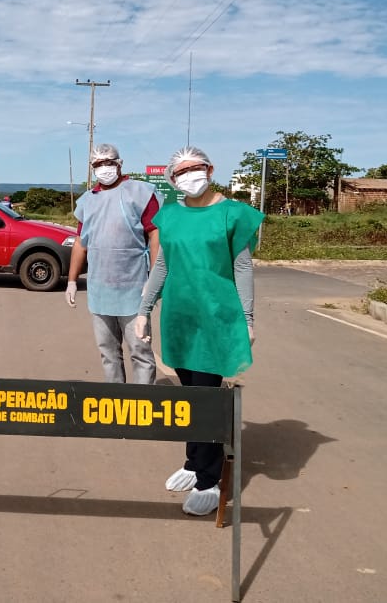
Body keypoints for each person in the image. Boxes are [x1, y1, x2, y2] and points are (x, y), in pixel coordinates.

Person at [134, 146, 263, 516]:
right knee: (189, 396)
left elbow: (243, 269)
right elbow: (162, 266)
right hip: (179, 318)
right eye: (182, 172)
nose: (190, 176)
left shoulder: (232, 214)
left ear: (210, 169)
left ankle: (209, 480)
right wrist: (145, 310)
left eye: (196, 169)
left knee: (205, 398)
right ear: (173, 180)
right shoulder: (170, 215)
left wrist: (248, 318)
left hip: (214, 319)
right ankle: (193, 461)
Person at [65, 143, 161, 384]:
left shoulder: (140, 193)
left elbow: (155, 235)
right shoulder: (88, 200)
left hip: (134, 288)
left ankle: (142, 406)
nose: (104, 167)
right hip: (100, 289)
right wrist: (72, 280)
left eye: (109, 162)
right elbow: (81, 242)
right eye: (98, 164)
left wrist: (154, 278)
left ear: (120, 163)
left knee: (140, 351)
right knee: (108, 353)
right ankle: (116, 401)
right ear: (92, 168)